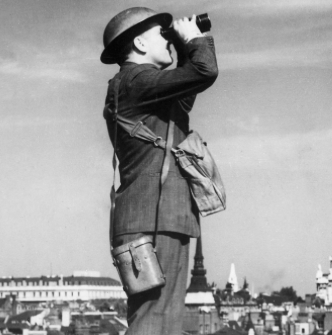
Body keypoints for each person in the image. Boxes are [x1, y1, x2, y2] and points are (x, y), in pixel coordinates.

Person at [100, 7, 218, 335]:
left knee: (165, 320)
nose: (167, 38)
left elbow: (183, 98)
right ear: (138, 43)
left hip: (161, 217)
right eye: (160, 34)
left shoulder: (140, 87)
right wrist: (194, 39)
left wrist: (181, 48)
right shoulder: (135, 80)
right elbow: (204, 71)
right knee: (154, 319)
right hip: (154, 219)